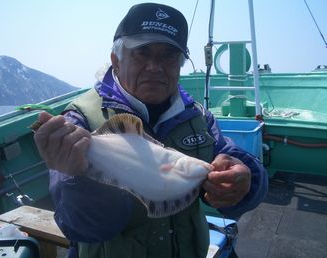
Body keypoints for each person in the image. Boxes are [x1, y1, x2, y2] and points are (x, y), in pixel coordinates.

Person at [34, 3, 268, 258]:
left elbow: (233, 159)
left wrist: (247, 180)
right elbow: (81, 228)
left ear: (180, 64)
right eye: (142, 53)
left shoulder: (198, 116)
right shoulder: (79, 121)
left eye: (169, 56)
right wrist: (77, 178)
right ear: (116, 60)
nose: (155, 67)